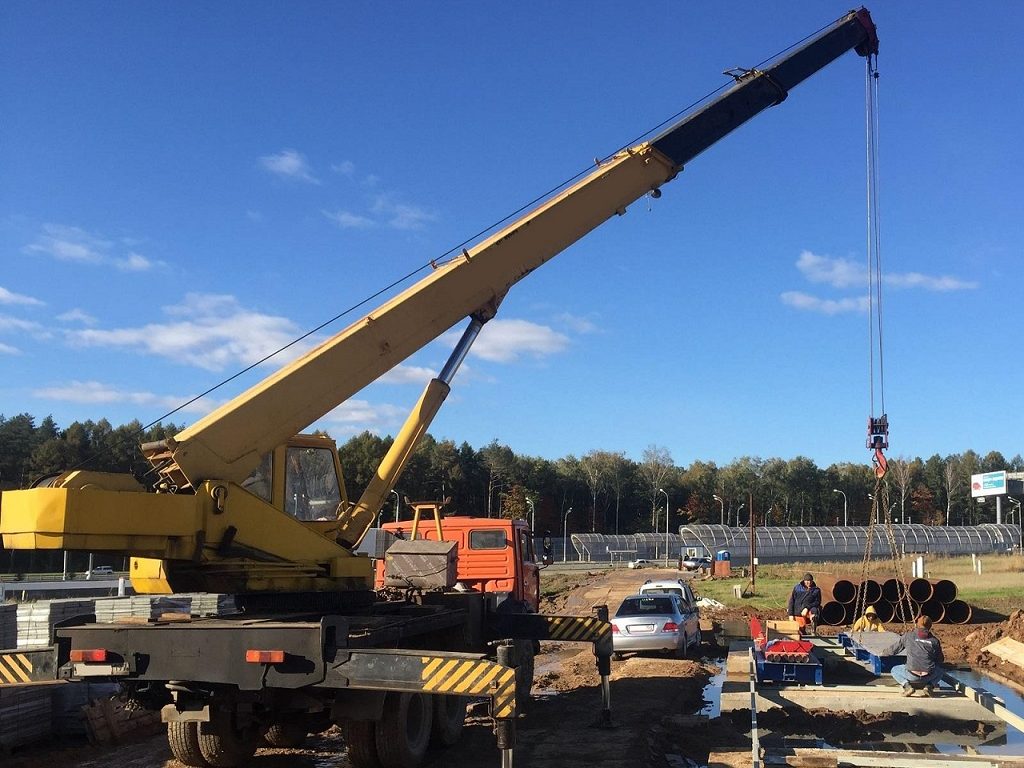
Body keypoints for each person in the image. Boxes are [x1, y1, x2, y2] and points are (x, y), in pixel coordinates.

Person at [882, 615, 944, 697]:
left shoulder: (908, 636)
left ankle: (907, 686)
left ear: (917, 625)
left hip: (911, 675)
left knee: (894, 670)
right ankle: (929, 686)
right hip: (928, 676)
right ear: (930, 626)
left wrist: (883, 653)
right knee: (941, 671)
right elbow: (940, 659)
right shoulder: (934, 641)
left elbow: (894, 650)